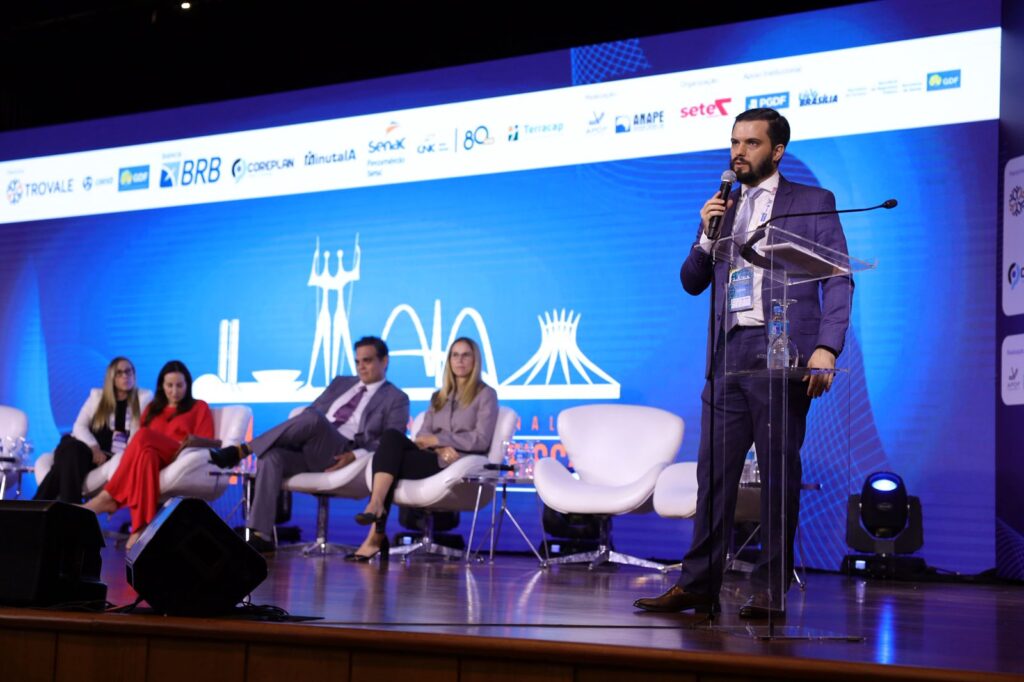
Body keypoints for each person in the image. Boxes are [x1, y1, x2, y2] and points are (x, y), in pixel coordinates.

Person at [634, 108, 853, 618]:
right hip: (728, 352)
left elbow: (838, 276)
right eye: (734, 142)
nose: (738, 152)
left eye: (751, 143)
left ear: (777, 151)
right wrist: (706, 235)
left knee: (777, 475)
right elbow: (692, 281)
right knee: (713, 476)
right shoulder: (723, 208)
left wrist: (827, 346)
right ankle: (698, 584)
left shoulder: (813, 202)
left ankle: (771, 588)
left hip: (782, 352)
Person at [208, 336, 409, 553]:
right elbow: (312, 411)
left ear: (384, 361)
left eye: (367, 361)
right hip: (310, 445)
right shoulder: (341, 383)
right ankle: (260, 536)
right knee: (271, 456)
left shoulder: (396, 398)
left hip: (343, 451)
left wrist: (356, 454)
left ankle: (243, 449)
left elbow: (393, 439)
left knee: (314, 418)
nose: (361, 367)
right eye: (357, 361)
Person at [349, 336, 498, 561]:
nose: (459, 360)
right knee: (391, 438)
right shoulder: (439, 396)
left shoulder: (485, 394)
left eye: (465, 355)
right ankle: (376, 509)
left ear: (475, 360)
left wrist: (439, 440)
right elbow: (421, 437)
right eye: (455, 355)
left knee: (392, 459)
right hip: (433, 457)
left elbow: (480, 439)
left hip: (456, 462)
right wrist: (438, 447)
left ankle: (375, 531)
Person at [84, 360, 218, 548]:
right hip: (154, 456)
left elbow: (206, 440)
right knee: (147, 456)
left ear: (188, 384)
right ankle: (140, 528)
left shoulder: (199, 407)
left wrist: (185, 444)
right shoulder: (153, 408)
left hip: (179, 454)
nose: (174, 391)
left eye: (179, 385)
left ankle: (108, 496)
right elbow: (139, 447)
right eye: (169, 385)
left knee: (143, 435)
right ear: (162, 386)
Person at [35, 357, 152, 504]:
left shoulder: (142, 399)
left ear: (134, 374)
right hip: (84, 447)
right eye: (119, 373)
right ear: (111, 377)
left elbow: (137, 436)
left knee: (63, 463)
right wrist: (94, 448)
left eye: (128, 371)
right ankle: (71, 509)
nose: (125, 376)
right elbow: (79, 426)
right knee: (72, 448)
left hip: (107, 456)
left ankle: (38, 506)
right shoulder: (97, 397)